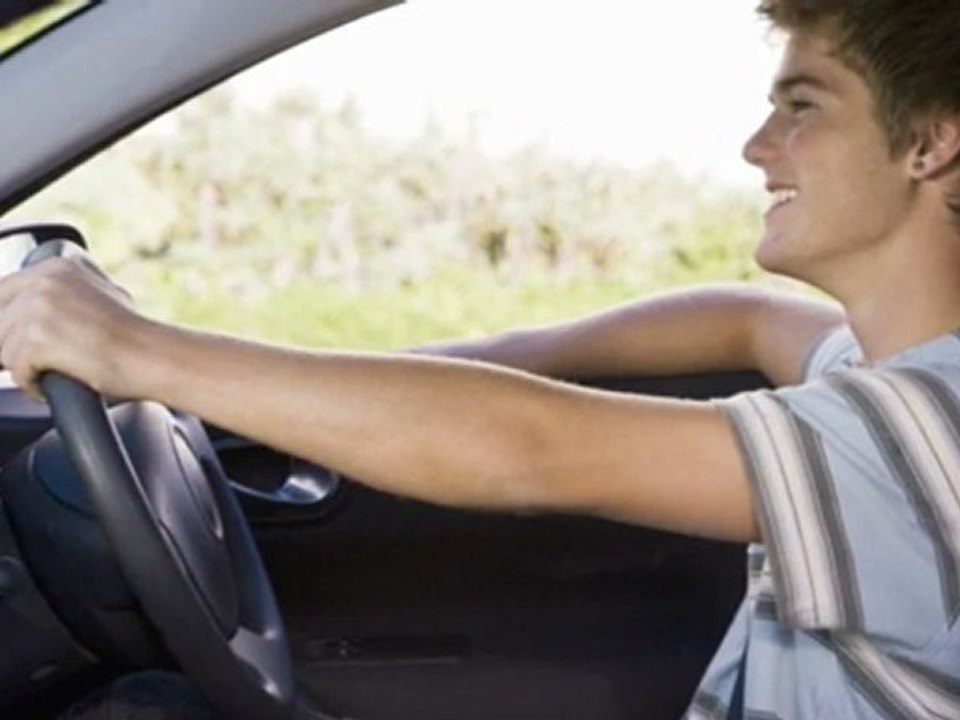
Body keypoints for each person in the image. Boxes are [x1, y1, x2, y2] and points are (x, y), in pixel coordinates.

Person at [4, 0, 960, 716]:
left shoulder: (920, 429)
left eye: (802, 106)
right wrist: (427, 363)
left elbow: (531, 449)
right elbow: (743, 319)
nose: (757, 147)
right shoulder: (886, 373)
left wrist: (139, 349)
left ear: (928, 141)